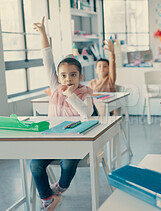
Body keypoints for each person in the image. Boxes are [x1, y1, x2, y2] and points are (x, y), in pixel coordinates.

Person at [30, 16, 95, 211]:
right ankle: (48, 199)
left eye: (73, 75)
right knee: (35, 165)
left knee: (67, 165)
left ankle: (60, 188)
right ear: (58, 77)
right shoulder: (55, 86)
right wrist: (43, 34)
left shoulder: (85, 93)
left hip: (74, 142)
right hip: (51, 140)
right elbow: (47, 58)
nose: (68, 79)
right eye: (63, 75)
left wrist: (71, 96)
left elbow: (86, 114)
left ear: (80, 76)